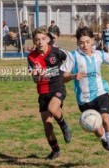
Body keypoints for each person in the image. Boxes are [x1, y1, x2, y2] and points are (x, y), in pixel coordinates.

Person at [61, 26, 109, 168]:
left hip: (101, 93)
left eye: (87, 42)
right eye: (81, 42)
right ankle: (103, 138)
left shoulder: (99, 55)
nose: (84, 45)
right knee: (96, 128)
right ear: (78, 42)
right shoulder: (73, 56)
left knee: (106, 119)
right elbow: (62, 76)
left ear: (92, 41)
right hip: (83, 99)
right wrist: (72, 76)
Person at [27, 26, 72, 160]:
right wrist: (37, 74)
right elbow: (35, 80)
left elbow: (71, 59)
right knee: (47, 126)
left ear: (48, 39)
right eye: (37, 40)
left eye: (43, 39)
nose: (40, 42)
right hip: (43, 92)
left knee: (53, 108)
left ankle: (64, 125)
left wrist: (66, 73)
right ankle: (55, 150)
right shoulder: (31, 57)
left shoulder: (57, 52)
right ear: (34, 41)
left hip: (58, 87)